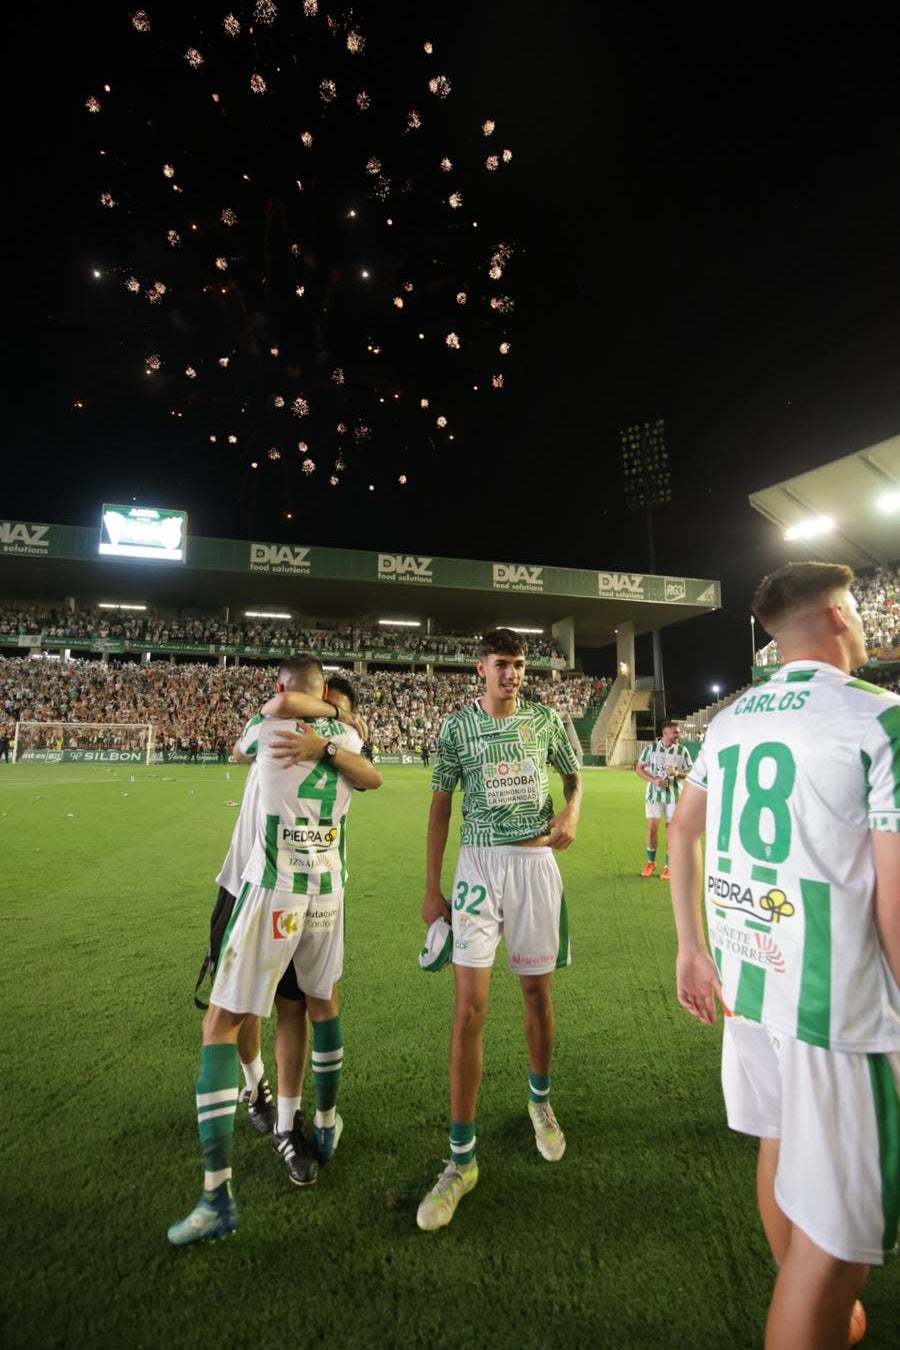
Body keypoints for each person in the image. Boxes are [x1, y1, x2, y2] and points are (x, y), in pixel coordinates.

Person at [667, 561, 900, 1349]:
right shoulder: (881, 717)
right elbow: (896, 908)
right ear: (837, 615)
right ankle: (813, 1299)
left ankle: (808, 1298)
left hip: (748, 979)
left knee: (779, 1140)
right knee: (835, 1249)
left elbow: (681, 828)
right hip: (839, 1006)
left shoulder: (730, 719)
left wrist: (691, 949)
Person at [168, 656, 382, 1246]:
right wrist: (334, 724)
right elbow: (372, 775)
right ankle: (288, 1105)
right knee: (305, 1004)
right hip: (316, 891)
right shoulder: (349, 738)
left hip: (266, 890)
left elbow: (264, 720)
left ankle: (227, 1183)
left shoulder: (274, 727)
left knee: (233, 1012)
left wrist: (311, 712)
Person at [417, 627, 582, 1232]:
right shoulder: (456, 727)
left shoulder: (543, 721)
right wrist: (431, 887)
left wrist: (573, 809)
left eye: (518, 664)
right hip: (478, 867)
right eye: (502, 664)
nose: (512, 673)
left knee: (537, 994)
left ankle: (540, 1102)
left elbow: (573, 775)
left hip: (536, 863)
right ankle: (461, 1160)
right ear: (480, 668)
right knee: (469, 1010)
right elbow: (440, 804)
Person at [634, 719, 693, 880]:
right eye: (675, 732)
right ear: (665, 733)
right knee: (652, 828)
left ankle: (669, 866)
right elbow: (638, 769)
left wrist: (676, 773)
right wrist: (654, 781)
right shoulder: (650, 749)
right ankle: (650, 862)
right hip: (653, 795)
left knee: (670, 831)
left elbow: (690, 773)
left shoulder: (682, 751)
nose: (678, 734)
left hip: (673, 796)